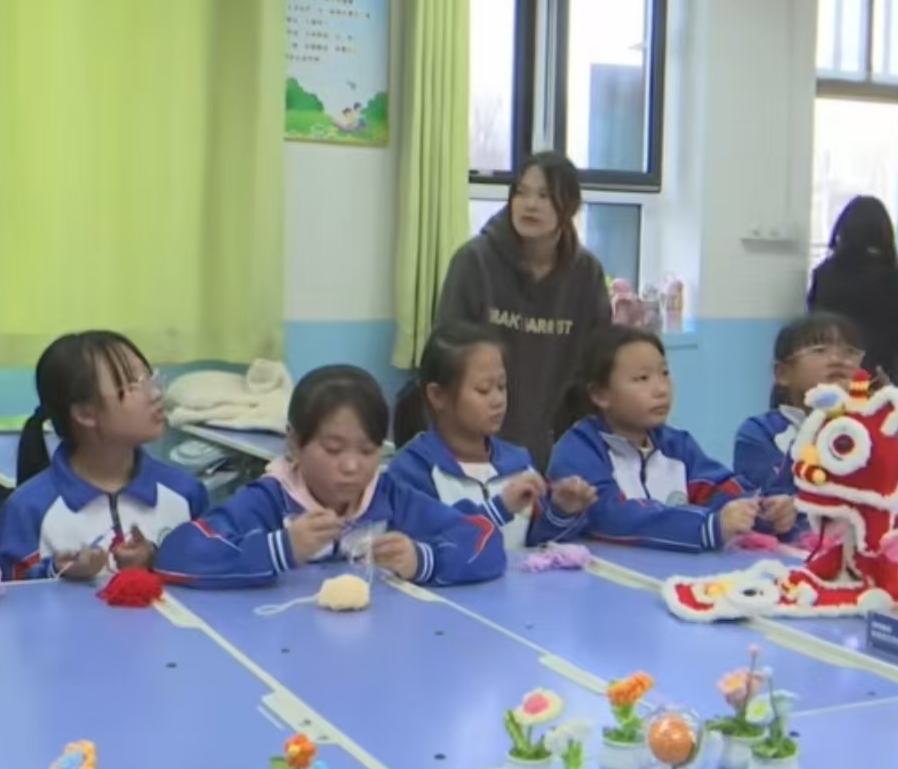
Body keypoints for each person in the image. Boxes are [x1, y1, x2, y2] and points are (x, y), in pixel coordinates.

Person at [155, 365, 507, 588]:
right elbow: (177, 555)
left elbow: (485, 541)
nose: (352, 467)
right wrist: (281, 548)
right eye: (334, 449)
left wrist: (423, 559)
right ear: (295, 444)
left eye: (367, 450)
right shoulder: (271, 500)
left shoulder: (390, 497)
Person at [548, 326, 799, 552]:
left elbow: (719, 488)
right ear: (600, 394)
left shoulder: (677, 445)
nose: (661, 389)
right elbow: (613, 517)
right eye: (642, 378)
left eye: (664, 373)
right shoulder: (580, 450)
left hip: (674, 578)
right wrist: (707, 526)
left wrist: (762, 510)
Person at [435, 152, 611, 468]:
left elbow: (598, 364)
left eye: (544, 195)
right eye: (521, 192)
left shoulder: (587, 274)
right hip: (477, 442)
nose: (530, 205)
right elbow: (445, 356)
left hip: (557, 444)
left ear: (570, 206)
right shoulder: (474, 261)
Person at [0, 332, 209, 582]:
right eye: (132, 384)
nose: (155, 394)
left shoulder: (184, 492)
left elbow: (209, 570)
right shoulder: (29, 507)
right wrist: (58, 571)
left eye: (149, 378)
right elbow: (10, 594)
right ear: (85, 413)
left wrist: (156, 558)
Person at [388, 322, 596, 550]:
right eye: (483, 390)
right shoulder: (412, 471)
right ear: (438, 396)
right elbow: (430, 548)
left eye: (502, 386)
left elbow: (536, 547)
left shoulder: (519, 463)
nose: (498, 400)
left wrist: (562, 512)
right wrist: (499, 508)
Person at [732, 313, 864, 498]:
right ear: (783, 373)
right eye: (820, 350)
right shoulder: (760, 432)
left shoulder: (871, 426)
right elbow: (768, 501)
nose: (837, 360)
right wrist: (824, 420)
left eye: (849, 352)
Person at [806, 196, 898, 390]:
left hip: (834, 378)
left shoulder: (824, 275)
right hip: (881, 381)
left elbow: (814, 325)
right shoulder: (894, 281)